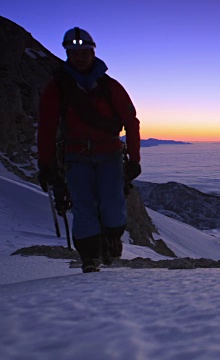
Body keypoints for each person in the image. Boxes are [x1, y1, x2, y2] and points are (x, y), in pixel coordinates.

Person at [37, 27, 141, 273]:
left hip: (109, 156)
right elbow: (47, 127)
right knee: (84, 206)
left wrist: (135, 159)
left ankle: (110, 241)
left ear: (92, 52)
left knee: (112, 205)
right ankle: (90, 258)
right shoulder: (58, 88)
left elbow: (131, 122)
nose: (80, 57)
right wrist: (46, 164)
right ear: (67, 54)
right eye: (74, 52)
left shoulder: (109, 86)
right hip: (77, 156)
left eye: (84, 52)